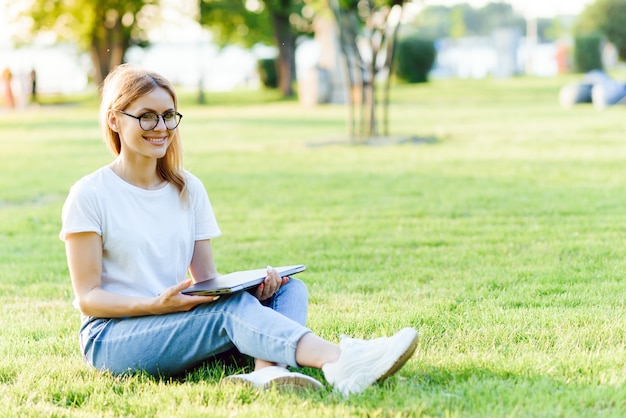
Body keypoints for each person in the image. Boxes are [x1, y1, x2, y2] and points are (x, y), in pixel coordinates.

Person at [59, 64, 418, 397]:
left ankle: (268, 370)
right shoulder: (90, 194)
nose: (162, 127)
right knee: (230, 312)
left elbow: (207, 279)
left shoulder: (188, 188)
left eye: (169, 116)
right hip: (113, 337)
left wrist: (253, 292)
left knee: (288, 292)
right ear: (115, 120)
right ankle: (342, 361)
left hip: (175, 319)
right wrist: (154, 305)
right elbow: (88, 297)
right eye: (147, 117)